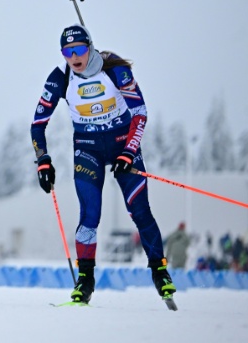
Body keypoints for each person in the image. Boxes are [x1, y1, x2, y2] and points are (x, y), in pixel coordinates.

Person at [30, 24, 175, 304]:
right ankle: (85, 280)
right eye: (67, 51)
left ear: (90, 47)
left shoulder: (114, 68)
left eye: (79, 49)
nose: (74, 57)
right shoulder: (60, 77)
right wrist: (43, 161)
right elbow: (37, 125)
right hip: (88, 149)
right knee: (89, 215)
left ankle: (159, 271)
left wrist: (129, 152)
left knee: (139, 210)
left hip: (123, 143)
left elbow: (140, 113)